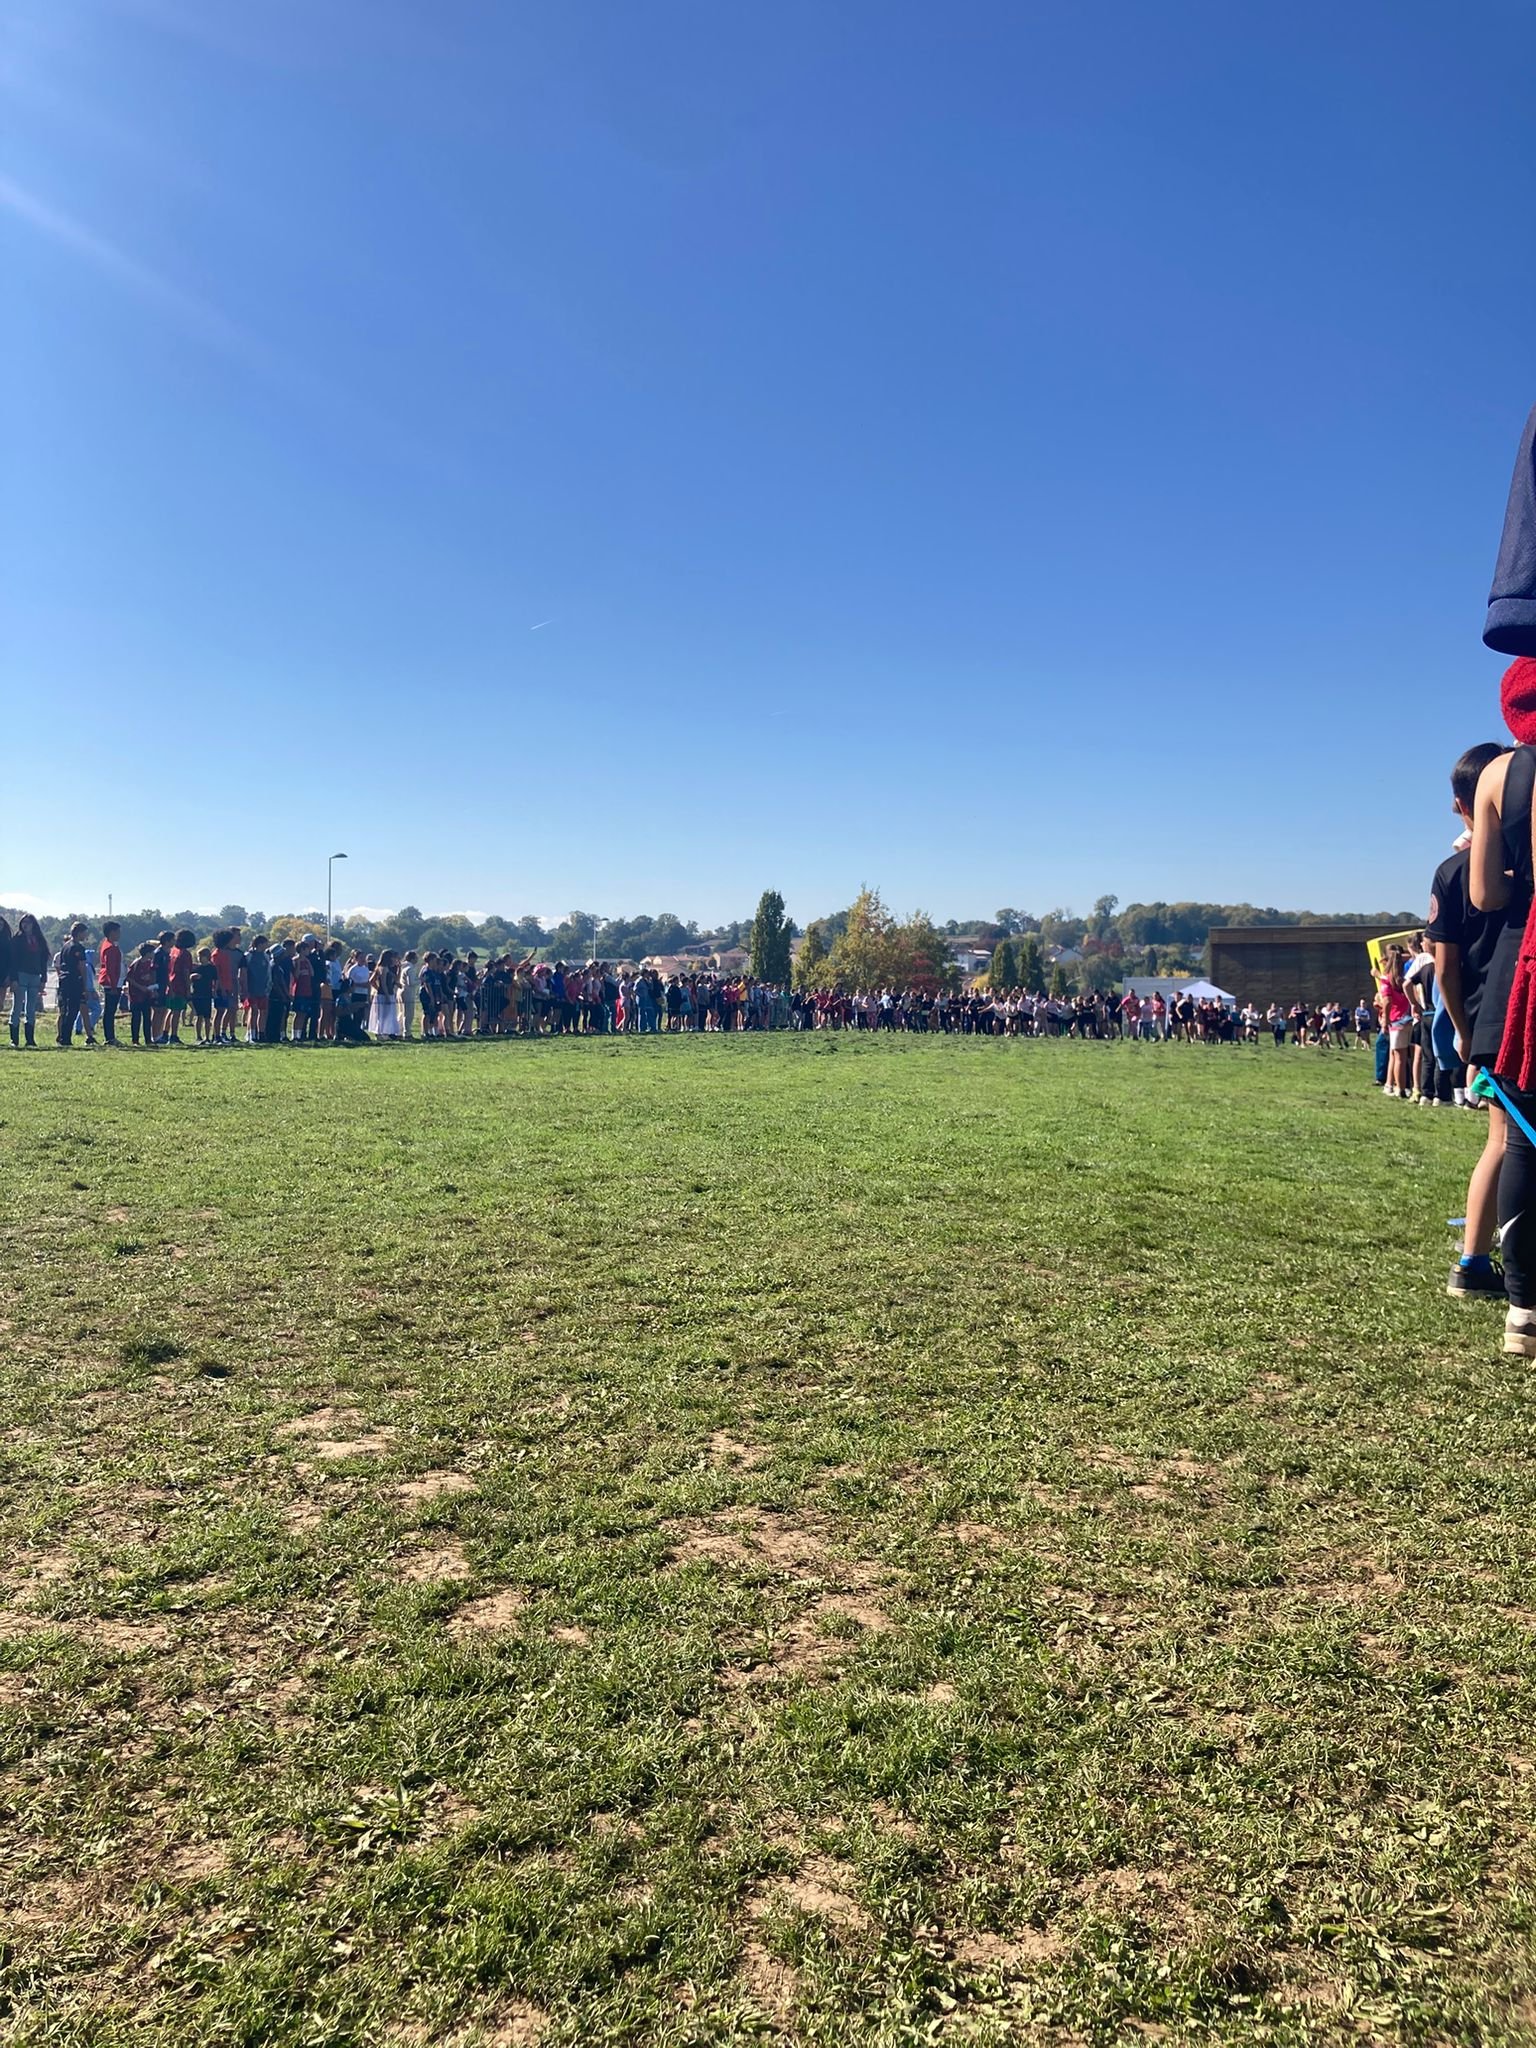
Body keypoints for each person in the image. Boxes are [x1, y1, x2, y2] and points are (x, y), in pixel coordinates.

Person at [1470, 660, 1536, 1355]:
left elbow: (1486, 895)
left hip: (1524, 966)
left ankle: (1523, 1307)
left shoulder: (1498, 774)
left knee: (1520, 1138)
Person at [1429, 742, 1509, 1298]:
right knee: (1507, 1139)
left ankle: (1475, 1258)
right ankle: (1475, 1260)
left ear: (1461, 805)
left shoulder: (1452, 871)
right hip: (1509, 1014)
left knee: (1502, 1138)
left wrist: (1461, 1029)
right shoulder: (1522, 870)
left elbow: (1446, 969)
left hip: (1484, 1020)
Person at [10, 913, 48, 1047]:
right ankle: (14, 1040)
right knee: (17, 1006)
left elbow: (43, 960)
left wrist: (44, 979)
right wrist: (13, 979)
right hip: (20, 975)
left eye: (28, 922)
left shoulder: (39, 940)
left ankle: (30, 1039)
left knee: (31, 1008)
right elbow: (13, 961)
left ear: (33, 924)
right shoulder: (17, 940)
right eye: (24, 922)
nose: (26, 925)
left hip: (35, 976)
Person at [54, 922, 91, 1048]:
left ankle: (62, 1036)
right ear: (79, 933)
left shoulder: (65, 946)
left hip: (64, 979)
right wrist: (85, 985)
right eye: (84, 933)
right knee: (73, 1009)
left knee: (64, 1009)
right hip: (74, 980)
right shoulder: (78, 948)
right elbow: (82, 967)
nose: (86, 935)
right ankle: (66, 1037)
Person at [98, 919, 124, 1048]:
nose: (119, 934)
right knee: (110, 1011)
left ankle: (110, 1037)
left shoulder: (110, 945)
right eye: (117, 931)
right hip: (112, 983)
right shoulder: (110, 947)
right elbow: (110, 968)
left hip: (114, 982)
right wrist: (113, 985)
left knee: (110, 1011)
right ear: (111, 932)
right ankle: (110, 1038)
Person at [126, 942, 158, 1046]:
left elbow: (152, 977)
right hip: (136, 995)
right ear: (147, 953)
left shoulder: (150, 964)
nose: (153, 954)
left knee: (147, 1018)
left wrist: (152, 989)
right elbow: (129, 978)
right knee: (136, 1018)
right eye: (152, 952)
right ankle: (135, 1040)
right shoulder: (136, 964)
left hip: (146, 995)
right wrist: (140, 987)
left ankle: (148, 1040)